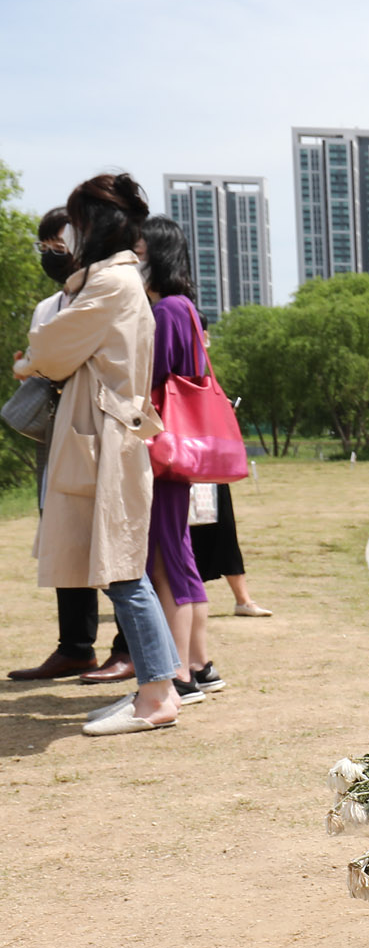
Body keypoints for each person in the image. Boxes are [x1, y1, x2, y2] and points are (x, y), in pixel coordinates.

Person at [13, 173, 180, 735]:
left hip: (107, 440)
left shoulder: (110, 283)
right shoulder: (117, 280)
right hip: (103, 436)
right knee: (120, 569)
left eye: (76, 225)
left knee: (122, 571)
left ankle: (157, 696)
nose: (69, 239)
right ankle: (156, 690)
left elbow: (49, 347)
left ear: (94, 226)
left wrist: (31, 359)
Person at [9, 207, 107, 681]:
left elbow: (51, 361)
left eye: (59, 246)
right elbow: (42, 362)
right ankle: (75, 647)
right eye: (45, 246)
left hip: (100, 428)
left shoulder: (104, 294)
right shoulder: (48, 307)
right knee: (63, 537)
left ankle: (129, 648)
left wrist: (33, 365)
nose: (51, 255)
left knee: (109, 539)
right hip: (58, 433)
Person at [136, 216, 214, 703]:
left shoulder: (165, 310)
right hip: (184, 447)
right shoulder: (186, 308)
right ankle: (199, 663)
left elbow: (152, 379)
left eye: (139, 250)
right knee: (178, 556)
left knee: (166, 561)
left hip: (163, 449)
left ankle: (180, 671)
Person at [190, 483, 272, 617]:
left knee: (226, 533)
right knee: (186, 539)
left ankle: (243, 601)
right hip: (182, 479)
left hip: (211, 479)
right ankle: (184, 600)